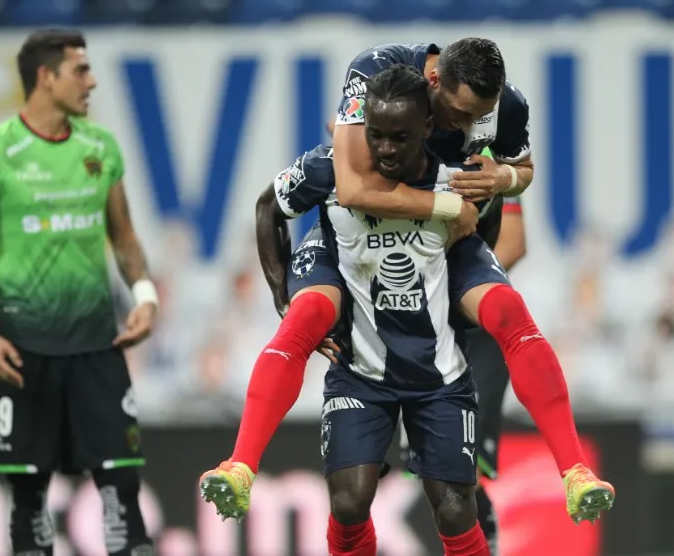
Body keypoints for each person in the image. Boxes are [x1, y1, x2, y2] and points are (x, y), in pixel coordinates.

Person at [203, 39, 613, 526]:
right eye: (457, 115)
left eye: (476, 118)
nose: (465, 129)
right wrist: (282, 294)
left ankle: (574, 472)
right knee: (307, 315)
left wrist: (502, 179)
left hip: (441, 240)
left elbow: (521, 177)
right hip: (357, 237)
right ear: (431, 89)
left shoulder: (498, 116)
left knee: (507, 313)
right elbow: (352, 187)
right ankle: (241, 465)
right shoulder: (374, 78)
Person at [205, 64, 505, 555]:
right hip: (361, 366)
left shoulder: (457, 178)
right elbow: (267, 208)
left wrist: (461, 278)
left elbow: (485, 239)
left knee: (454, 508)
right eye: (376, 135)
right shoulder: (328, 168)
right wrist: (282, 292)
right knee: (349, 502)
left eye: (399, 137)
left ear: (427, 128)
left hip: (439, 370)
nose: (385, 149)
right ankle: (240, 463)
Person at [0, 29, 157, 556]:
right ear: (46, 78)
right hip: (21, 346)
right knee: (28, 505)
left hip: (96, 342)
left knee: (123, 497)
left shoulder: (100, 147)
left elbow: (125, 234)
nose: (91, 81)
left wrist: (145, 295)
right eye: (80, 70)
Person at [398, 192, 527, 554]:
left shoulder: (488, 153)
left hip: (474, 339)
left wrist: (451, 292)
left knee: (464, 469)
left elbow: (513, 244)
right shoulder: (403, 151)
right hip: (420, 336)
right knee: (434, 471)